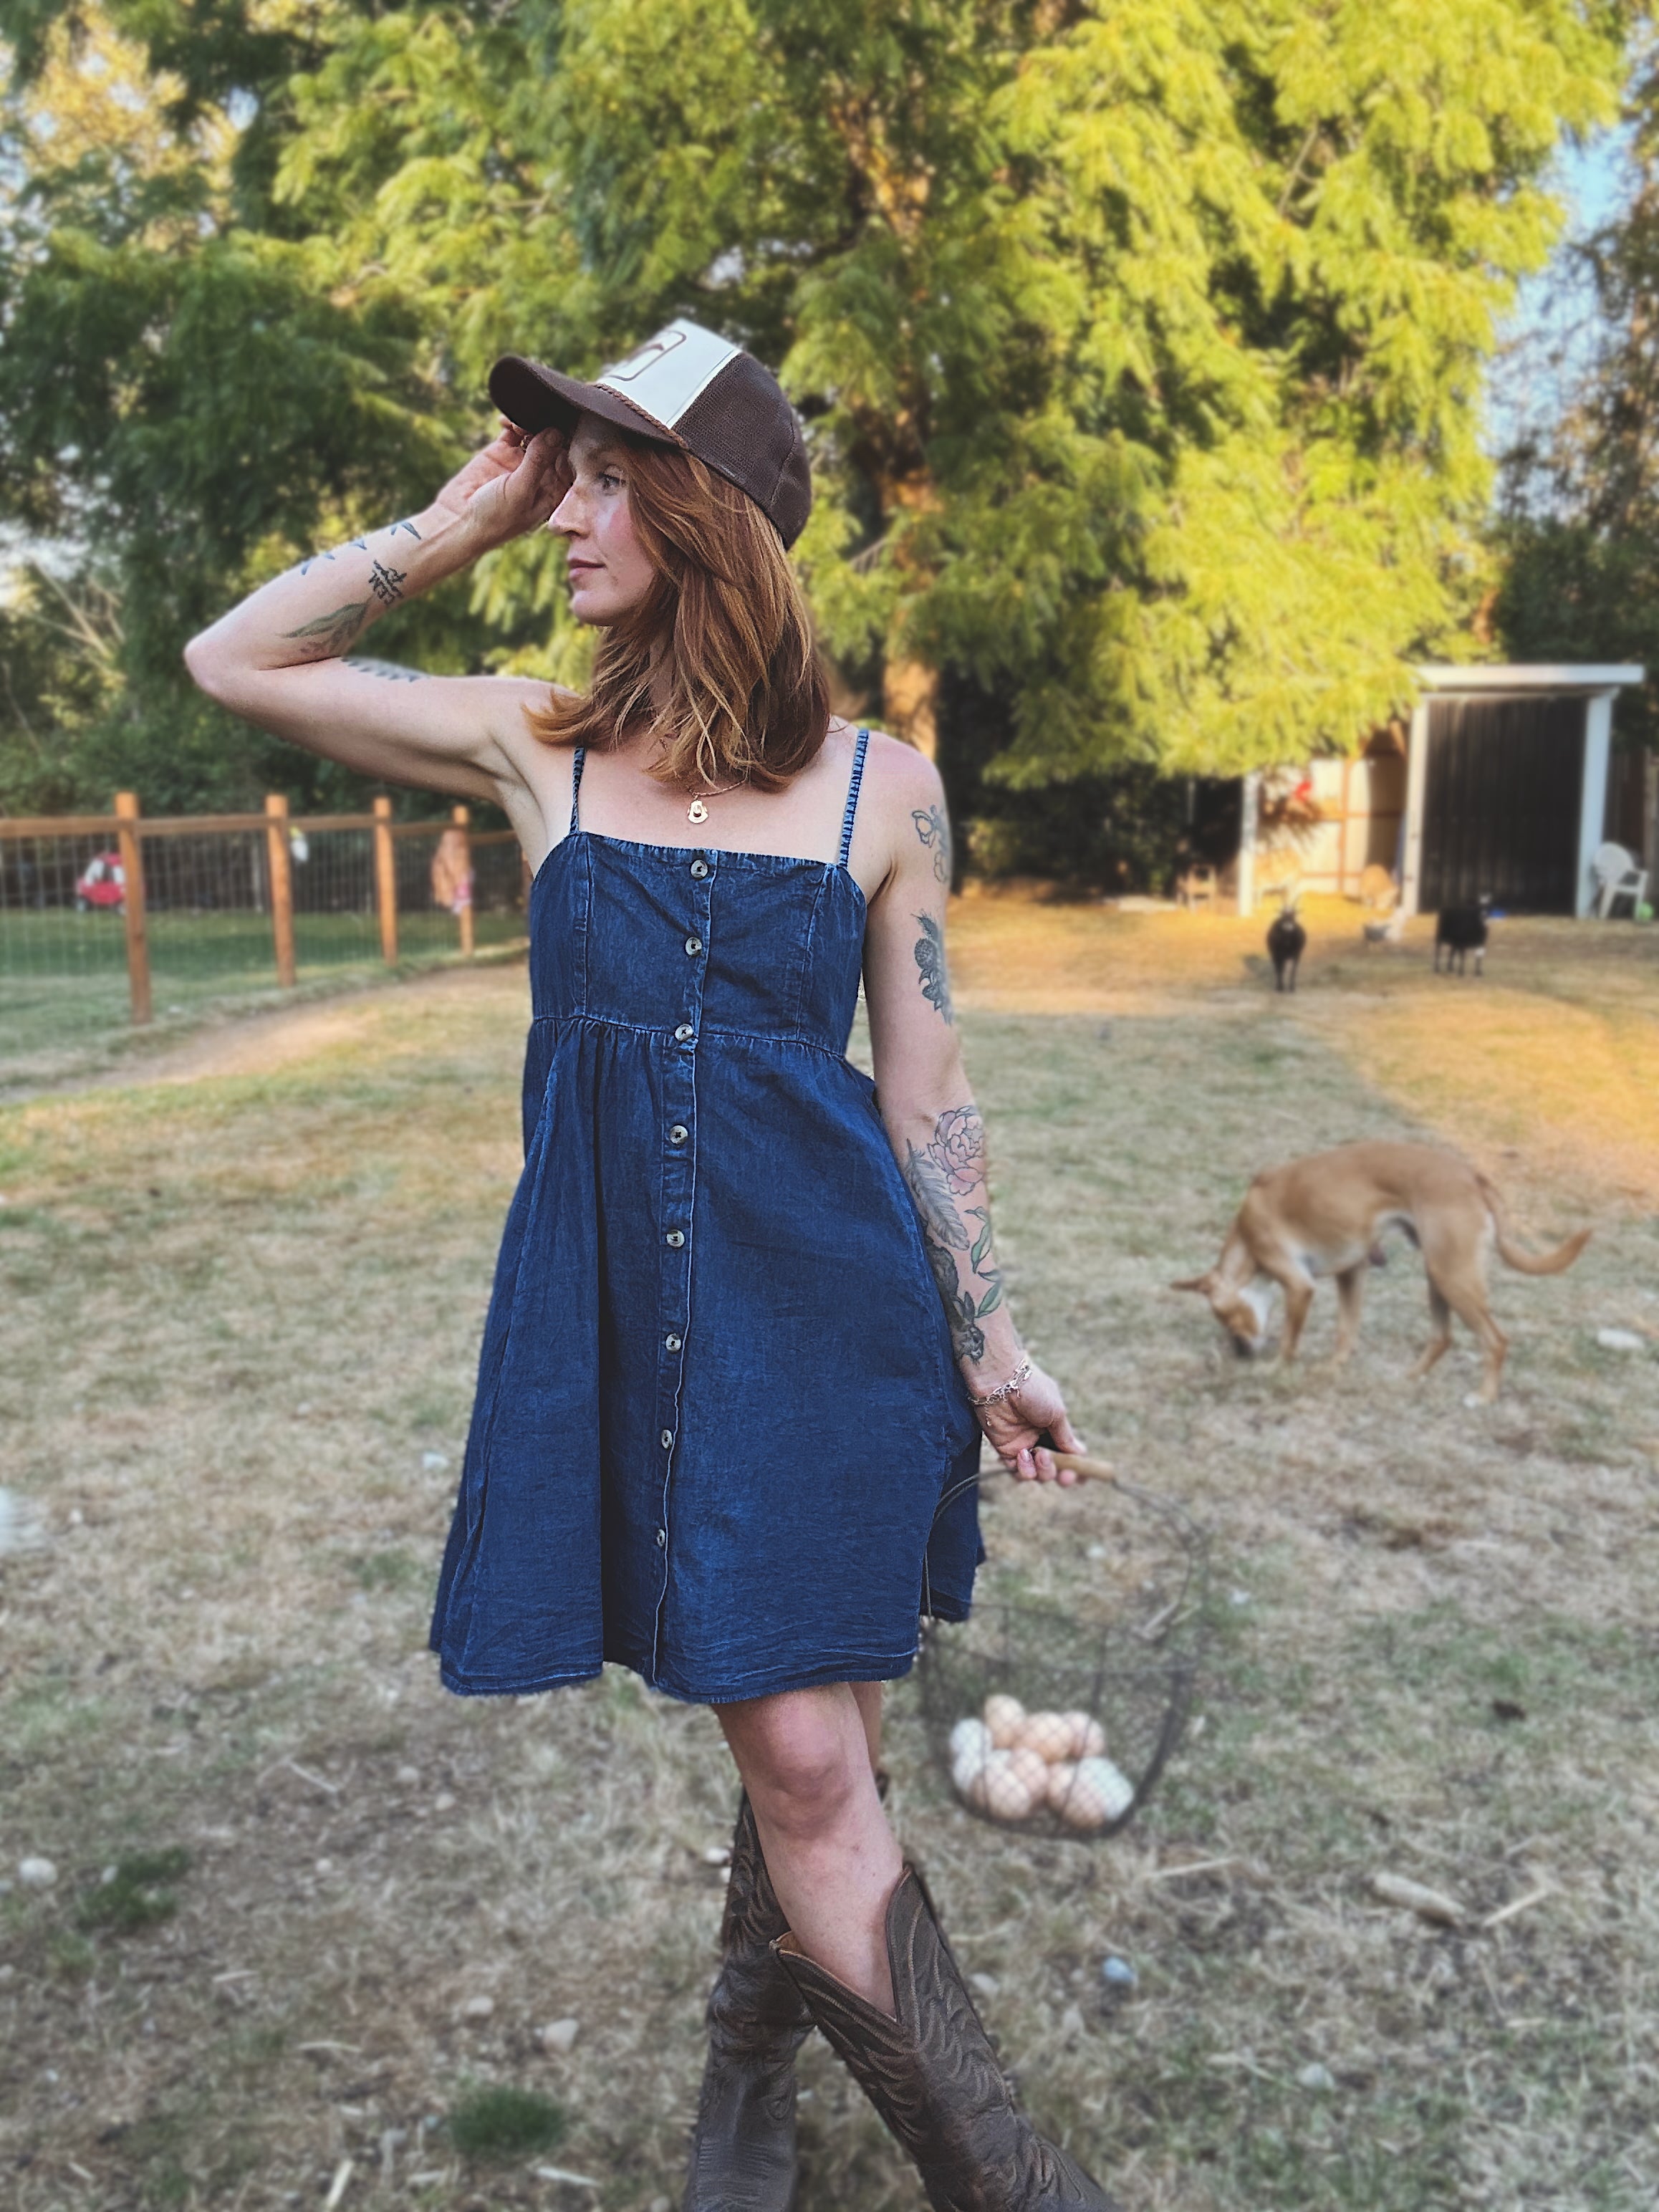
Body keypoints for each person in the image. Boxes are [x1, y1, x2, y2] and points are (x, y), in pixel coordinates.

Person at [185, 319, 1113, 2212]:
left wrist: (990, 1340)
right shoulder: (540, 744)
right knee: (810, 1759)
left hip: (839, 1327)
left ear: (711, 522)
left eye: (608, 482)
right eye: (566, 480)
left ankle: (842, 2118)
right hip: (645, 1329)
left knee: (813, 1761)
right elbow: (237, 660)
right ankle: (850, 2131)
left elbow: (928, 1093)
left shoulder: (884, 790)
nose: (567, 517)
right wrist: (454, 522)